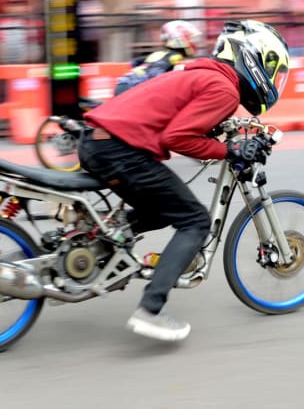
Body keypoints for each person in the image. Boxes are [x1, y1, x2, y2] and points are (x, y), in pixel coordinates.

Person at [77, 20, 290, 342]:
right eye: (274, 70)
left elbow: (186, 124)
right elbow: (179, 137)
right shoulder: (223, 89)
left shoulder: (202, 74)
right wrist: (229, 150)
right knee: (194, 220)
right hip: (120, 151)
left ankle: (107, 241)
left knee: (165, 208)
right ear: (256, 58)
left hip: (99, 142)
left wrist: (222, 140)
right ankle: (150, 309)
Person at [113, 20, 203, 96]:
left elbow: (134, 62)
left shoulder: (160, 54)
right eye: (190, 39)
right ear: (179, 39)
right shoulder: (175, 57)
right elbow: (157, 74)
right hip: (131, 89)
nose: (193, 43)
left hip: (124, 84)